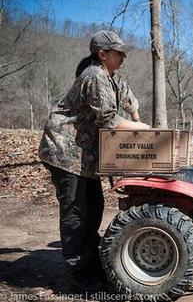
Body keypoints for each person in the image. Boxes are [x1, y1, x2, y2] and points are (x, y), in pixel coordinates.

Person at [38, 30, 150, 291]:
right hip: (65, 151)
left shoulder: (111, 78)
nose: (124, 56)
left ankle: (91, 264)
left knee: (94, 207)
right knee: (76, 213)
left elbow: (127, 97)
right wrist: (141, 129)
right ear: (103, 54)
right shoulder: (94, 76)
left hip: (84, 153)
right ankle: (79, 274)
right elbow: (109, 119)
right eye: (118, 52)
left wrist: (135, 114)